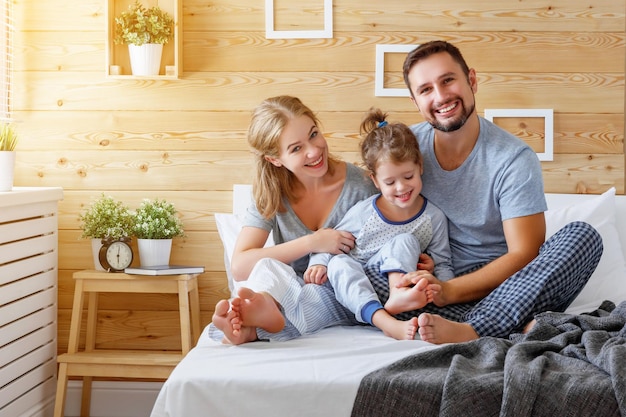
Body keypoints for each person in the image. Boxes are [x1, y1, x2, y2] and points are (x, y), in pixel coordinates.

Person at [364, 39, 603, 344]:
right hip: (428, 288)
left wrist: (448, 291)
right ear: (415, 102)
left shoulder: (514, 158)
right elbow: (367, 210)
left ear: (472, 80)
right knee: (352, 272)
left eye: (448, 80)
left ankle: (472, 330)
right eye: (426, 90)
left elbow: (525, 253)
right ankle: (509, 325)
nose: (440, 96)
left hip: (505, 288)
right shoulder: (405, 151)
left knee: (582, 238)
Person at [210, 95, 420, 344]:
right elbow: (240, 266)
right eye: (296, 148)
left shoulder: (362, 185)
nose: (314, 151)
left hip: (345, 291)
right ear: (275, 159)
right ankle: (258, 314)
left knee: (308, 295)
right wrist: (313, 242)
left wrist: (416, 258)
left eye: (313, 134)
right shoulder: (270, 195)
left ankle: (256, 323)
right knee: (269, 268)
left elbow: (398, 230)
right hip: (293, 293)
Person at [305, 107, 454, 328]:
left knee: (406, 240)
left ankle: (398, 293)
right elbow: (332, 242)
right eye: (390, 182)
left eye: (408, 176)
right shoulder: (364, 213)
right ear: (375, 181)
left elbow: (443, 264)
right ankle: (381, 319)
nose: (402, 187)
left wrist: (441, 287)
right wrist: (319, 264)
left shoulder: (434, 217)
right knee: (339, 263)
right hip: (357, 290)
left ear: (420, 167)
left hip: (399, 291)